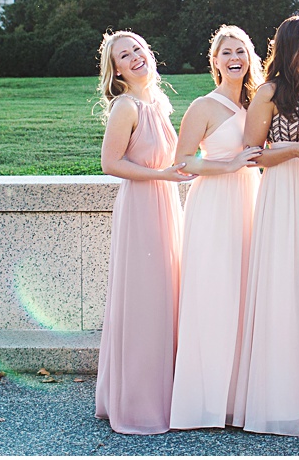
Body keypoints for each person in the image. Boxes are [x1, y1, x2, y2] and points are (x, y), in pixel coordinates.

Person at [231, 15, 299, 436]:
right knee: (287, 287)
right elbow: (251, 154)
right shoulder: (270, 92)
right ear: (286, 46)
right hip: (286, 193)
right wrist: (294, 150)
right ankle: (281, 398)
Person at [93, 31, 196, 435]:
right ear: (116, 69)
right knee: (144, 302)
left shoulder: (159, 102)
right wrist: (160, 175)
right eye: (124, 55)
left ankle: (167, 396)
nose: (135, 57)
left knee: (165, 299)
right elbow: (110, 163)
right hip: (141, 209)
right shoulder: (126, 106)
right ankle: (137, 404)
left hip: (166, 204)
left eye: (138, 49)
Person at [169, 26, 265, 430]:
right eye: (226, 52)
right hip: (213, 203)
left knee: (246, 293)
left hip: (251, 199)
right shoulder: (203, 107)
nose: (233, 57)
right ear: (215, 61)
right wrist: (226, 165)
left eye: (240, 50)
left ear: (251, 57)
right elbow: (182, 162)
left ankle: (239, 397)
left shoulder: (259, 103)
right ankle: (204, 400)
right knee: (214, 292)